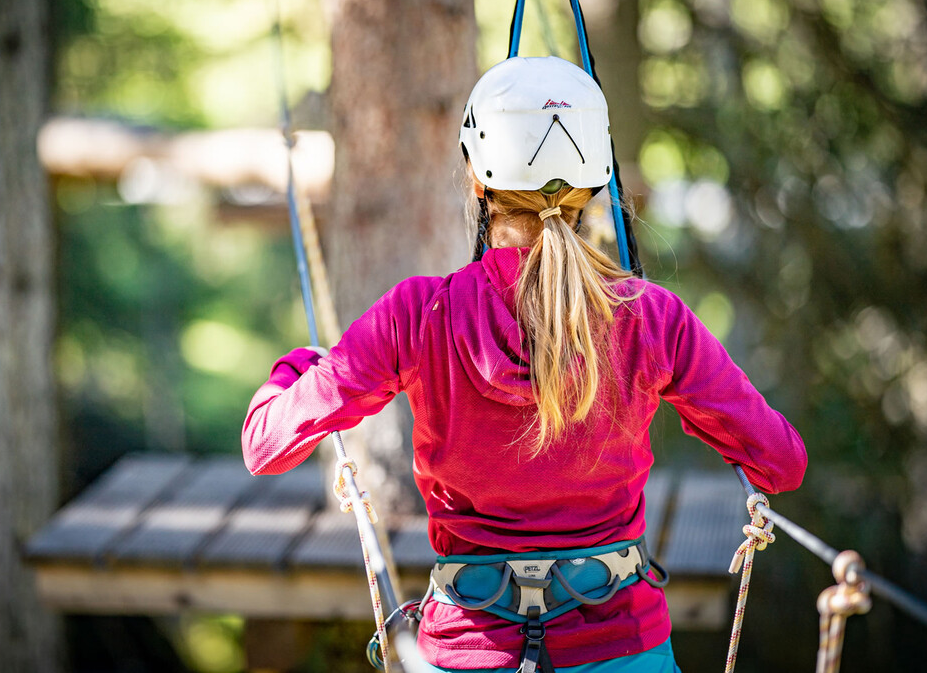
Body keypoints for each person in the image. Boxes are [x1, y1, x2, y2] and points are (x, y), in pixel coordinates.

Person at [243, 56, 807, 673]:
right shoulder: (650, 318)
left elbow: (265, 446)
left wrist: (301, 366)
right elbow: (780, 462)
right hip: (622, 647)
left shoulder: (419, 314)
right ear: (597, 183)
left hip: (467, 649)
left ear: (477, 179)